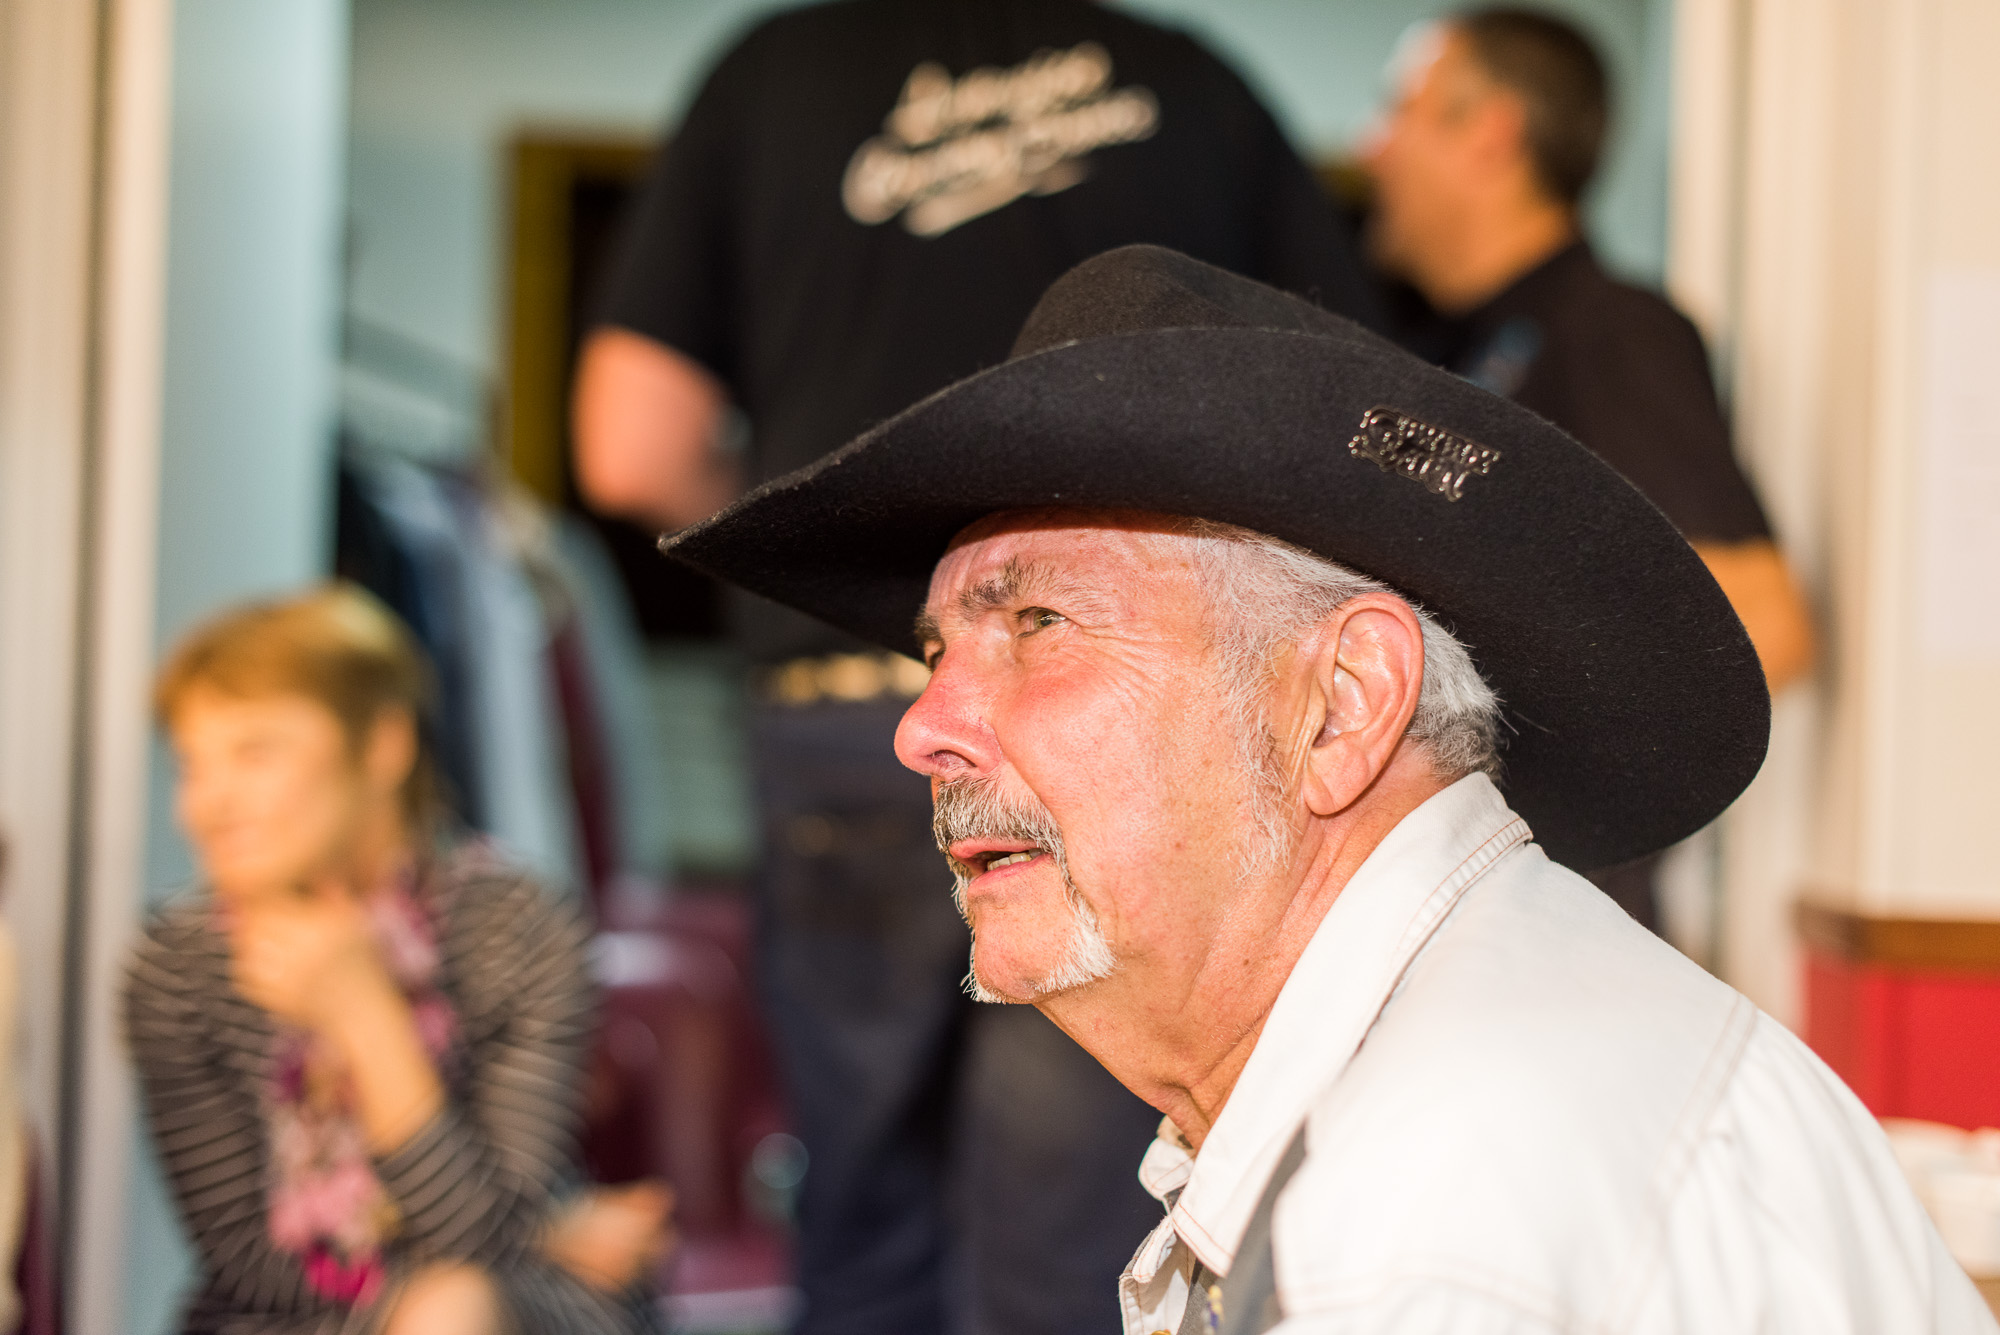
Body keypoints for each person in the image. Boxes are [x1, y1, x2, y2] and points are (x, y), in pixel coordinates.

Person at [660, 244, 1994, 1333]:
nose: (924, 728)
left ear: (1340, 702)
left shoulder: (1414, 1236)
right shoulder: (1496, 1028)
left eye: (1041, 624)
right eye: (941, 648)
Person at [572, 3, 1381, 1331]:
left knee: (862, 1209)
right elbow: (1328, 410)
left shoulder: (774, 71)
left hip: (843, 707)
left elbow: (628, 447)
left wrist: (825, 535)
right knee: (1074, 1222)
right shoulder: (1192, 84)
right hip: (1108, 711)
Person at [1360, 8, 1816, 928]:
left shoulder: (1610, 330)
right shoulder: (1444, 342)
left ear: (1489, 131)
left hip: (1541, 919)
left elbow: (1763, 624)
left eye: (1401, 109)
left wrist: (1515, 754)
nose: (1375, 149)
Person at [124, 586, 673, 1335]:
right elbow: (250, 1261)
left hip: (509, 1309)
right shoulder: (177, 965)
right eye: (191, 763)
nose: (205, 803)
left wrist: (366, 1017)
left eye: (254, 751)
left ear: (384, 743)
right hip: (282, 1314)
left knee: (453, 1307)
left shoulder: (516, 926)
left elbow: (478, 1251)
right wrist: (548, 1231)